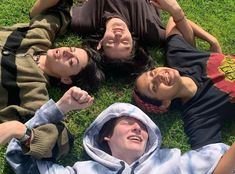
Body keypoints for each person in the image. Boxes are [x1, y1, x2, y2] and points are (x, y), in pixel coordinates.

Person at [2, 86, 235, 173]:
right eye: (127, 123)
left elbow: (222, 166)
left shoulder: (176, 163)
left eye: (144, 127)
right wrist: (61, 107)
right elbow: (22, 160)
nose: (137, 128)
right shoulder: (83, 172)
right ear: (107, 135)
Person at [133, 0, 235, 150]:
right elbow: (210, 158)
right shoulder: (199, 114)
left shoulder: (179, 58)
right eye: (154, 86)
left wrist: (213, 41)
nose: (158, 76)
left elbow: (172, 24)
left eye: (153, 73)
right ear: (165, 103)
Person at [0, 0, 104, 123]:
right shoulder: (39, 38)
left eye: (71, 61)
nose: (66, 52)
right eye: (71, 49)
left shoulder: (34, 89)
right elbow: (59, 9)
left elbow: (40, 125)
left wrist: (64, 106)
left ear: (66, 79)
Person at [30, 0, 165, 76]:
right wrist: (176, 12)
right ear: (134, 43)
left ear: (101, 43)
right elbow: (181, 33)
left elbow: (37, 13)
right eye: (125, 42)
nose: (118, 35)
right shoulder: (150, 31)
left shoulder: (83, 22)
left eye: (111, 42)